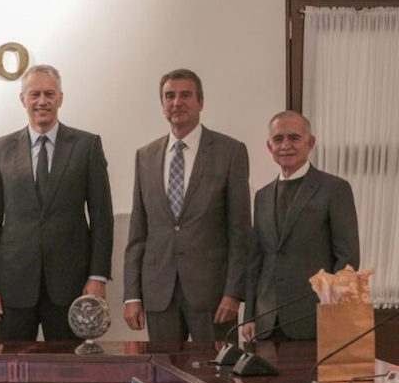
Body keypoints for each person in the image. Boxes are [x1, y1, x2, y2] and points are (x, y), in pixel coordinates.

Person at [0, 64, 114, 341]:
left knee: (65, 372)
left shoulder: (86, 146)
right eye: (35, 94)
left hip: (71, 286)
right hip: (12, 286)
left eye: (49, 94)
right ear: (23, 99)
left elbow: (102, 217)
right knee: (11, 372)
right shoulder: (1, 149)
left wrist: (98, 276)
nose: (42, 101)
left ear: (60, 98)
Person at [123, 69, 250, 341]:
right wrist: (132, 295)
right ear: (162, 105)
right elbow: (138, 232)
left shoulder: (230, 152)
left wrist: (234, 293)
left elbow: (240, 231)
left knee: (216, 377)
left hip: (213, 296)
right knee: (164, 377)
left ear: (200, 102)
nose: (177, 102)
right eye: (169, 96)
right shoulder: (145, 156)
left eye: (185, 95)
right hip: (159, 292)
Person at [242, 111, 359, 341]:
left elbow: (348, 258)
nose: (285, 145)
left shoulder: (334, 189)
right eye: (278, 139)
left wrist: (334, 314)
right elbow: (256, 260)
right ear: (269, 146)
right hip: (266, 322)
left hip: (314, 319)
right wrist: (249, 316)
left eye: (294, 138)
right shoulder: (262, 196)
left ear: (310, 142)